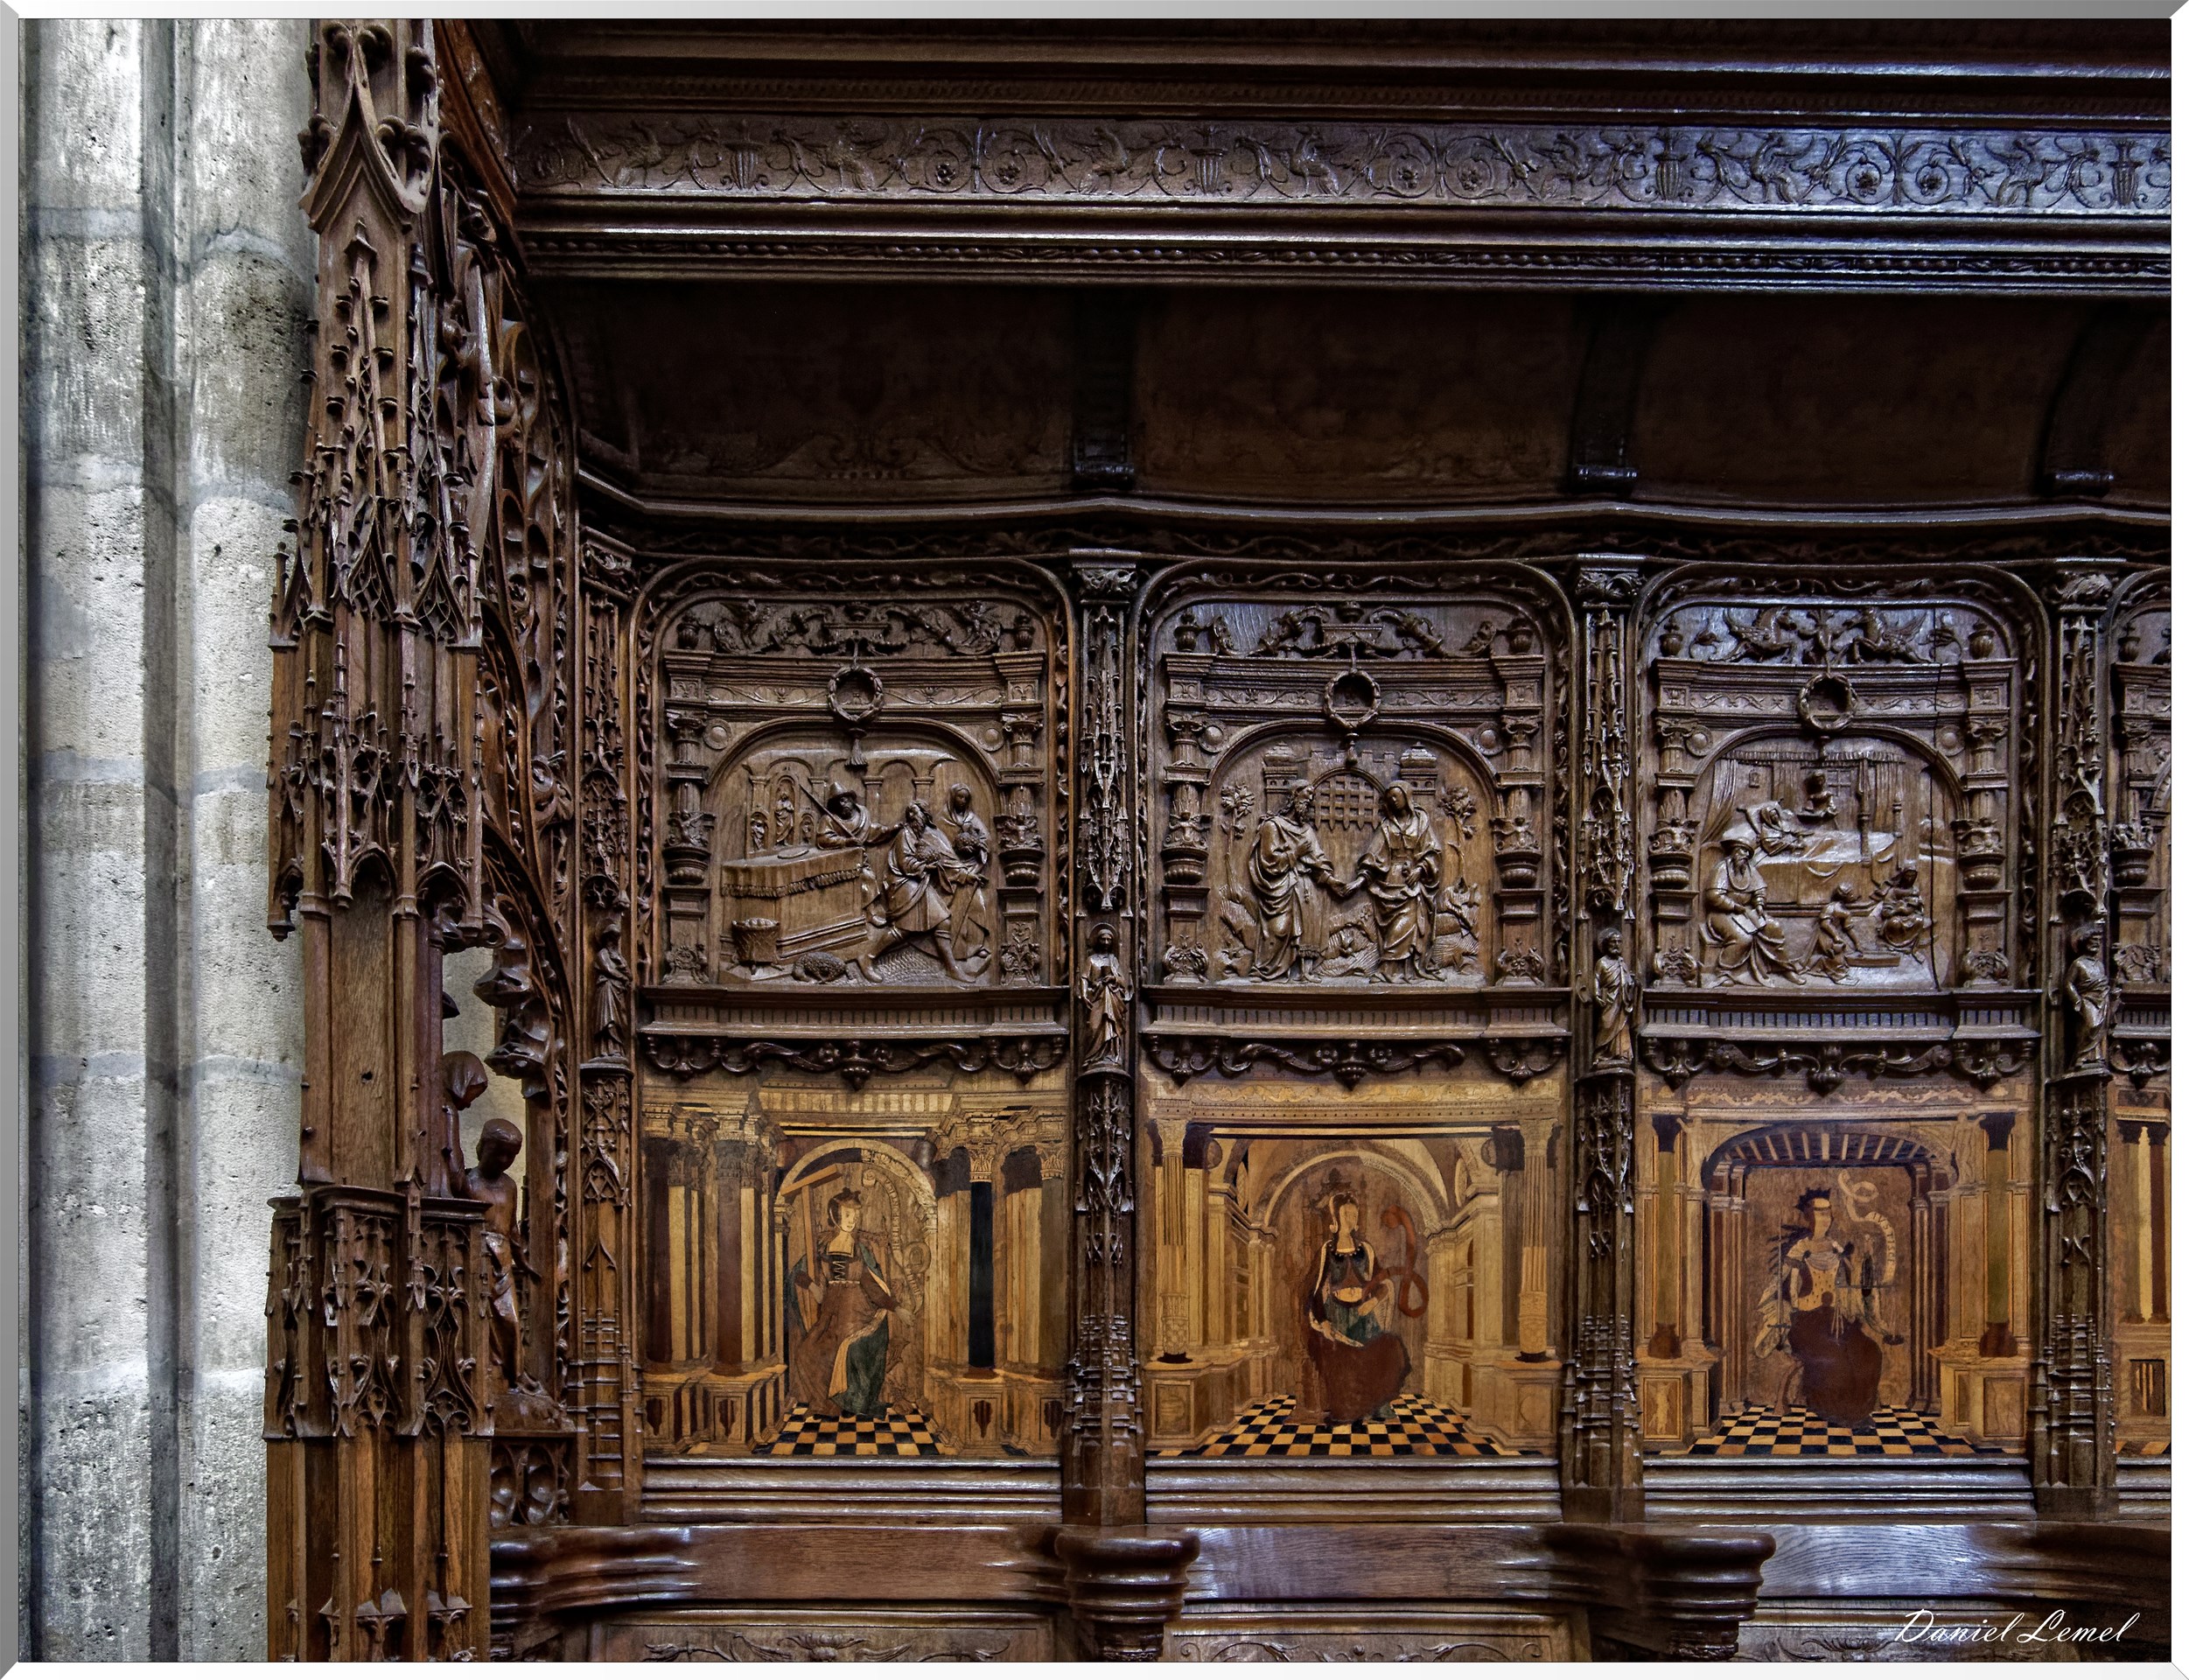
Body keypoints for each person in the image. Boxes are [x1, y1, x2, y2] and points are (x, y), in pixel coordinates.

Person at [1753, 1188, 1885, 1427]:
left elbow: (1851, 1286)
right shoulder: (1798, 1250)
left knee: (1869, 1350)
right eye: (1819, 1212)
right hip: (1805, 1322)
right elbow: (1780, 1289)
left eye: (1828, 1212)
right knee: (1832, 1357)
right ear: (1808, 1216)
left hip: (1835, 1320)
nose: (1825, 1217)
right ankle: (1834, 1411)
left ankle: (1858, 1411)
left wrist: (1866, 1258)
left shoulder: (1836, 1248)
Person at [1293, 1193, 1409, 1426]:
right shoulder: (1327, 1250)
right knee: (1343, 1362)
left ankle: (1377, 1407)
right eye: (1346, 1213)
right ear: (1335, 1219)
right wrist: (1324, 1322)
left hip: (1363, 1313)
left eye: (1354, 1214)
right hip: (1336, 1315)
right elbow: (1314, 1290)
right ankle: (1349, 1409)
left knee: (1381, 1351)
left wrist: (1372, 1302)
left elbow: (1382, 1284)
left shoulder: (1366, 1249)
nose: (1350, 1218)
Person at [788, 1192, 897, 1418]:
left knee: (849, 1350)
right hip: (830, 1312)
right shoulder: (821, 1247)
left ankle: (850, 1404)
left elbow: (871, 1284)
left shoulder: (860, 1249)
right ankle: (823, 1404)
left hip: (856, 1311)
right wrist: (813, 1287)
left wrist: (895, 1306)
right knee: (808, 1353)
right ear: (835, 1215)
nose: (852, 1220)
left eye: (855, 1214)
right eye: (848, 1214)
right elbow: (797, 1273)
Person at [857, 801, 986, 981]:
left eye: (922, 817)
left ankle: (951, 968)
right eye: (918, 817)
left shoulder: (919, 835)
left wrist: (966, 876)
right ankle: (867, 957)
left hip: (917, 885)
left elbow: (944, 862)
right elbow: (906, 864)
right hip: (904, 886)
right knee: (903, 929)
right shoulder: (905, 835)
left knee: (943, 921)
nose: (920, 821)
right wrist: (928, 867)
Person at [464, 1113, 535, 1394]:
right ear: (483, 1148)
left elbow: (513, 1229)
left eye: (511, 1155)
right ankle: (484, 1374)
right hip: (475, 1256)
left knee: (511, 1320)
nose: (505, 1160)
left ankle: (516, 1375)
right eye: (499, 1153)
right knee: (479, 1320)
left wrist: (525, 1263)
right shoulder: (468, 1184)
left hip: (503, 1259)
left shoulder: (510, 1186)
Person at [1347, 784, 1443, 982]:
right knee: (1392, 929)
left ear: (1407, 796)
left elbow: (1433, 852)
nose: (1393, 800)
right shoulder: (1387, 827)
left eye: (1396, 796)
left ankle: (1395, 970)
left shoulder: (1421, 822)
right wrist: (1360, 879)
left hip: (1411, 884)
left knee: (1408, 923)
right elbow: (1373, 856)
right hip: (1389, 882)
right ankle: (1392, 971)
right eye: (1389, 798)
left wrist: (1420, 869)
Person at [1245, 786, 1336, 980]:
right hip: (1282, 887)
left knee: (1310, 924)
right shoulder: (1273, 826)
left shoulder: (1307, 831)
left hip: (1306, 886)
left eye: (1311, 803)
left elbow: (1318, 857)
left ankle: (1306, 971)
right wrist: (1295, 853)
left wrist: (1331, 879)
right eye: (1306, 799)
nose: (1309, 805)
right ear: (1294, 797)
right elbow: (1268, 859)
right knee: (1280, 928)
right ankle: (1265, 970)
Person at [1703, 830, 1798, 984]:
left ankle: (1784, 969)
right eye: (1742, 850)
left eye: (1748, 852)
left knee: (1773, 927)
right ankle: (1723, 972)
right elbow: (1713, 896)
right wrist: (1734, 907)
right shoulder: (1722, 869)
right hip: (1722, 914)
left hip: (1747, 911)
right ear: (1734, 851)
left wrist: (1759, 904)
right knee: (1743, 938)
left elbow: (1760, 890)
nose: (1745, 855)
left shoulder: (1749, 870)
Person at [1591, 928, 1635, 1066]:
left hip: (1622, 1002)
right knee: (1606, 1024)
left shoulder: (1622, 963)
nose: (1616, 945)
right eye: (1613, 942)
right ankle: (1601, 1053)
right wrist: (1597, 994)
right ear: (1606, 944)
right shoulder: (1602, 963)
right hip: (1609, 1000)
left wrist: (1633, 984)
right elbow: (1596, 979)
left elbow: (1628, 981)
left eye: (1619, 942)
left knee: (1622, 1027)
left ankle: (1621, 1053)